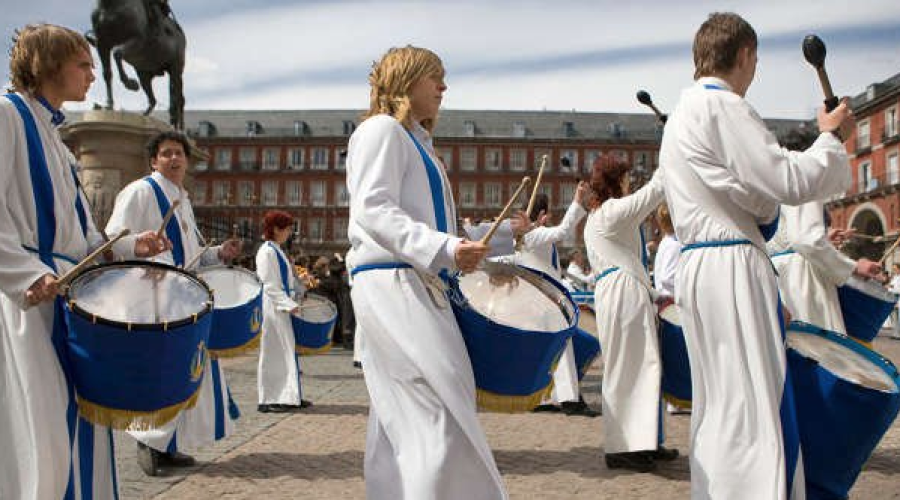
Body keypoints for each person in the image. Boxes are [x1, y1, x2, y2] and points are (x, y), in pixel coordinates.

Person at [659, 12, 854, 499]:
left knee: (722, 403)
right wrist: (830, 138)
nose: (755, 71)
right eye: (756, 61)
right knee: (755, 401)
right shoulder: (724, 106)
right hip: (731, 264)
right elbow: (785, 180)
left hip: (700, 267)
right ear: (744, 55)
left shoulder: (682, 114)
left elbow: (745, 191)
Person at [0, 23, 170, 499]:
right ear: (49, 63)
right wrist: (25, 273)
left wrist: (131, 246)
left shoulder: (53, 135)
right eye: (83, 64)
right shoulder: (6, 115)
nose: (93, 75)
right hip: (31, 300)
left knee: (75, 423)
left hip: (67, 293)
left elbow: (83, 239)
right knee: (42, 426)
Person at [346, 45, 507, 499]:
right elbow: (373, 209)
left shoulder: (419, 145)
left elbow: (433, 226)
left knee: (399, 423)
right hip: (396, 284)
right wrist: (447, 248)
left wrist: (491, 238)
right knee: (437, 415)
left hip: (415, 281)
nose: (444, 86)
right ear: (406, 80)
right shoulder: (382, 131)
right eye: (434, 76)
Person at [106, 130, 243, 476]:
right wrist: (140, 244)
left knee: (184, 370)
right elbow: (112, 239)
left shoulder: (181, 198)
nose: (174, 159)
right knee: (162, 368)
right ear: (154, 161)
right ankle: (148, 443)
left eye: (179, 153)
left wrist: (217, 254)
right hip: (154, 296)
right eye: (166, 153)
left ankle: (167, 445)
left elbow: (190, 255)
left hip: (183, 296)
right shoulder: (141, 191)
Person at [583, 154, 675, 472]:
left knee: (637, 365)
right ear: (615, 181)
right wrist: (671, 155)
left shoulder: (600, 215)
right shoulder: (610, 212)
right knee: (631, 366)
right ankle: (623, 447)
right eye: (624, 178)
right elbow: (653, 193)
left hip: (619, 290)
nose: (628, 183)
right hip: (622, 290)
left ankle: (641, 442)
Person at [768, 139, 881, 334]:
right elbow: (806, 240)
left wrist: (824, 238)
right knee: (819, 347)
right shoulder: (805, 175)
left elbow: (789, 236)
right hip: (803, 278)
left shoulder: (774, 178)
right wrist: (854, 267)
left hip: (779, 272)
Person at [519, 190, 598, 417]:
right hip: (546, 301)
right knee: (562, 348)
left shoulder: (529, 237)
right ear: (543, 214)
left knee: (548, 350)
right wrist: (576, 202)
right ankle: (569, 399)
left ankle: (546, 398)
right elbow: (563, 230)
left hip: (542, 301)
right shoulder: (535, 235)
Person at [256, 210, 312, 413]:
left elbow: (286, 282)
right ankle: (269, 398)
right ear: (276, 229)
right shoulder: (267, 251)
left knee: (287, 352)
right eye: (287, 228)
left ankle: (289, 396)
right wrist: (289, 304)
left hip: (282, 306)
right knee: (273, 352)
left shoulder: (277, 250)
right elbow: (269, 285)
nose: (290, 232)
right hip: (273, 307)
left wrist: (300, 289)